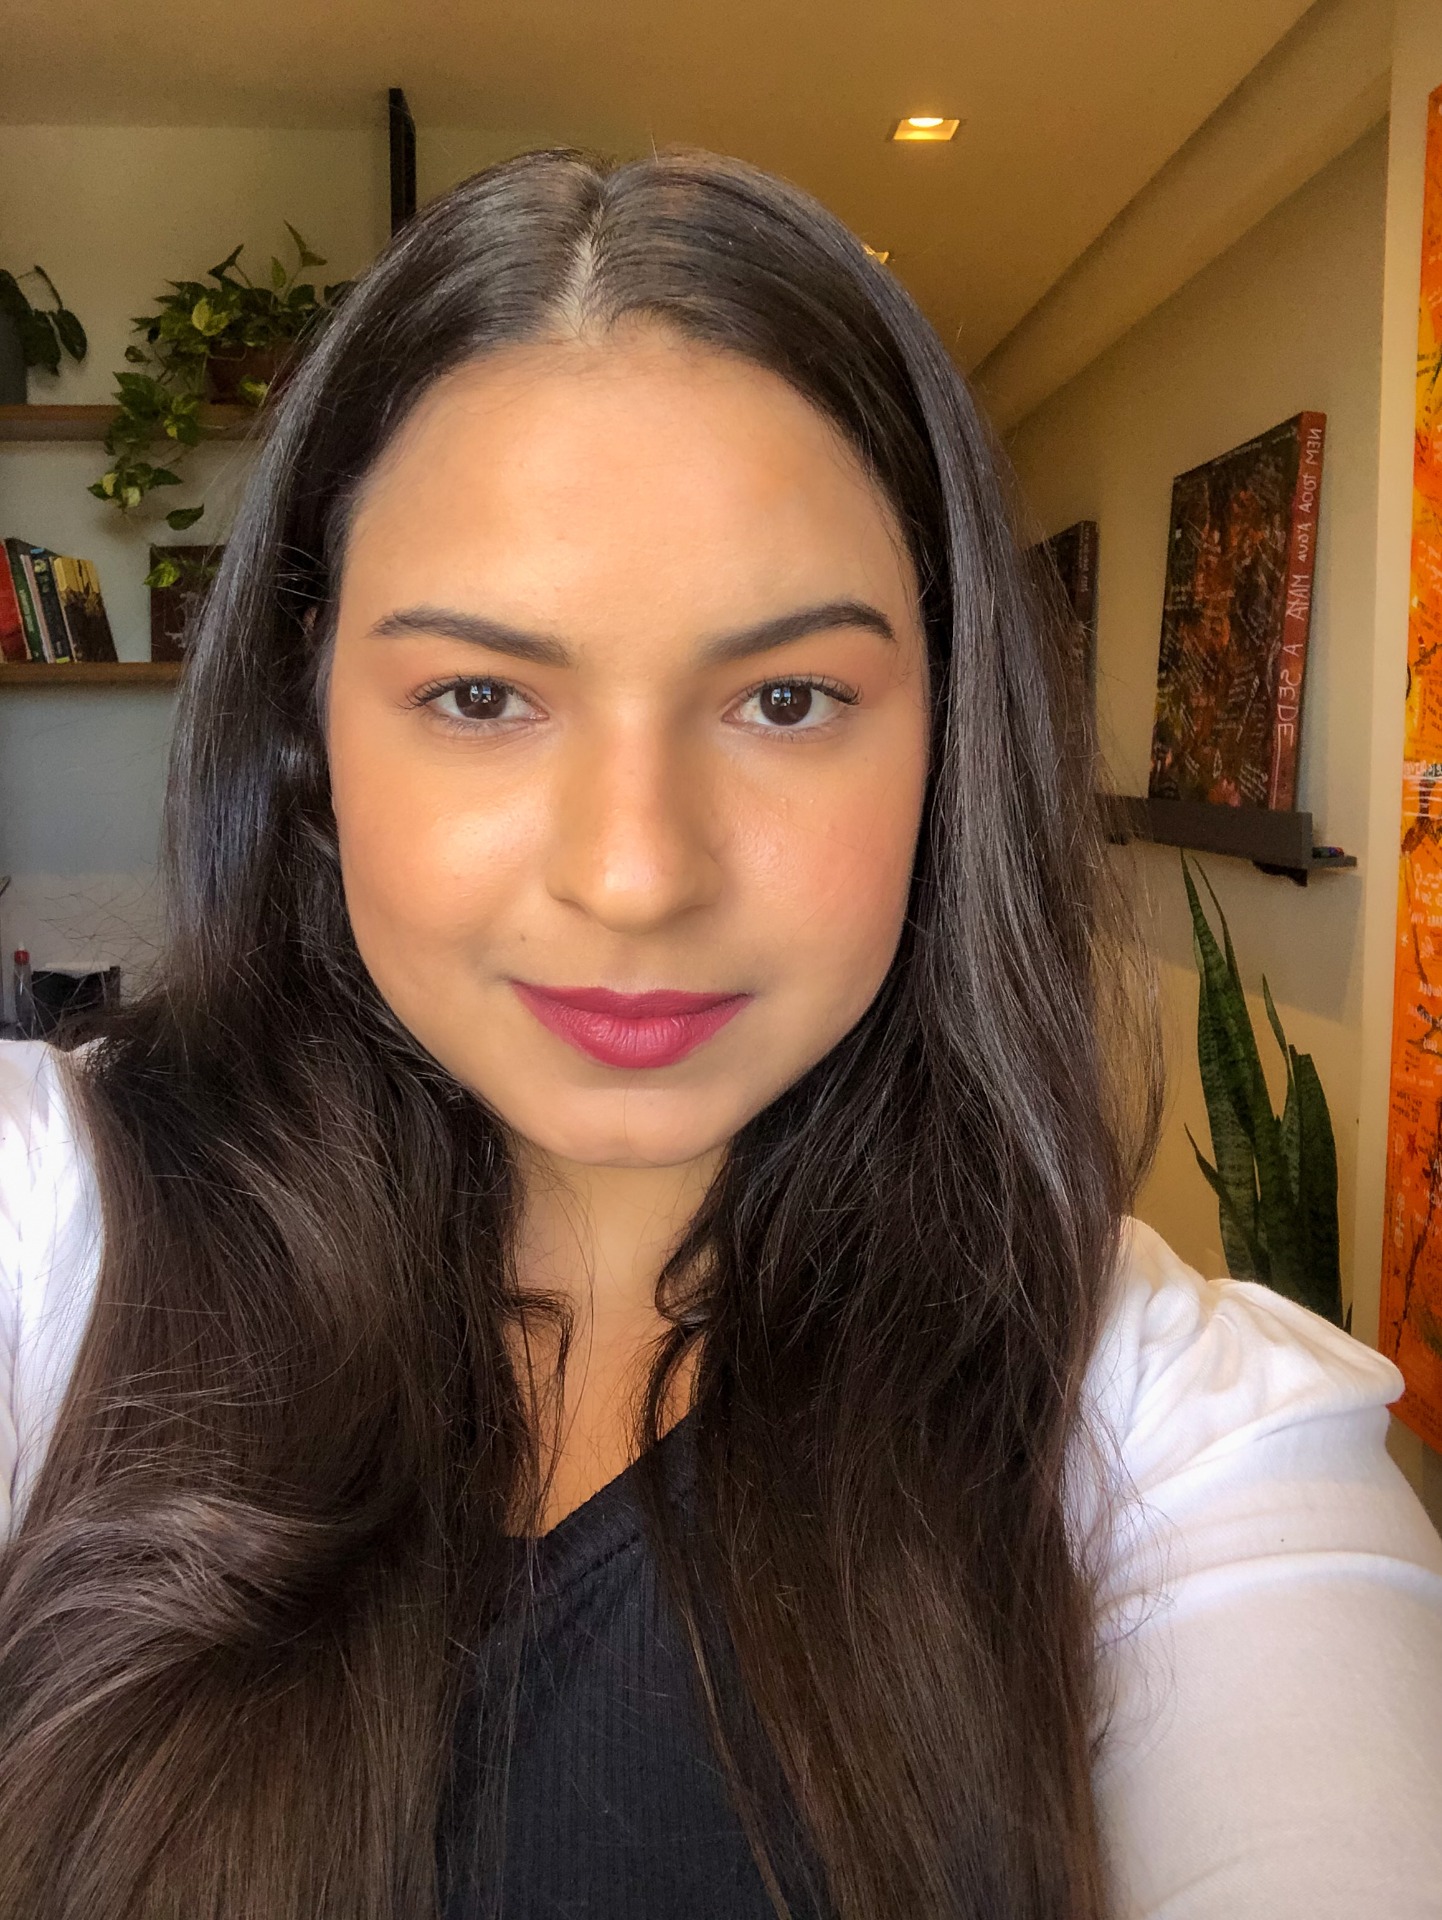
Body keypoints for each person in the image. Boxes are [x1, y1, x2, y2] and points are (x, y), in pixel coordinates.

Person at [0, 148, 1438, 1920]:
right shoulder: (50, 1236)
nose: (634, 875)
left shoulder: (1161, 1426)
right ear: (308, 732)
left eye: (785, 698)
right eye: (480, 695)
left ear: (946, 735)